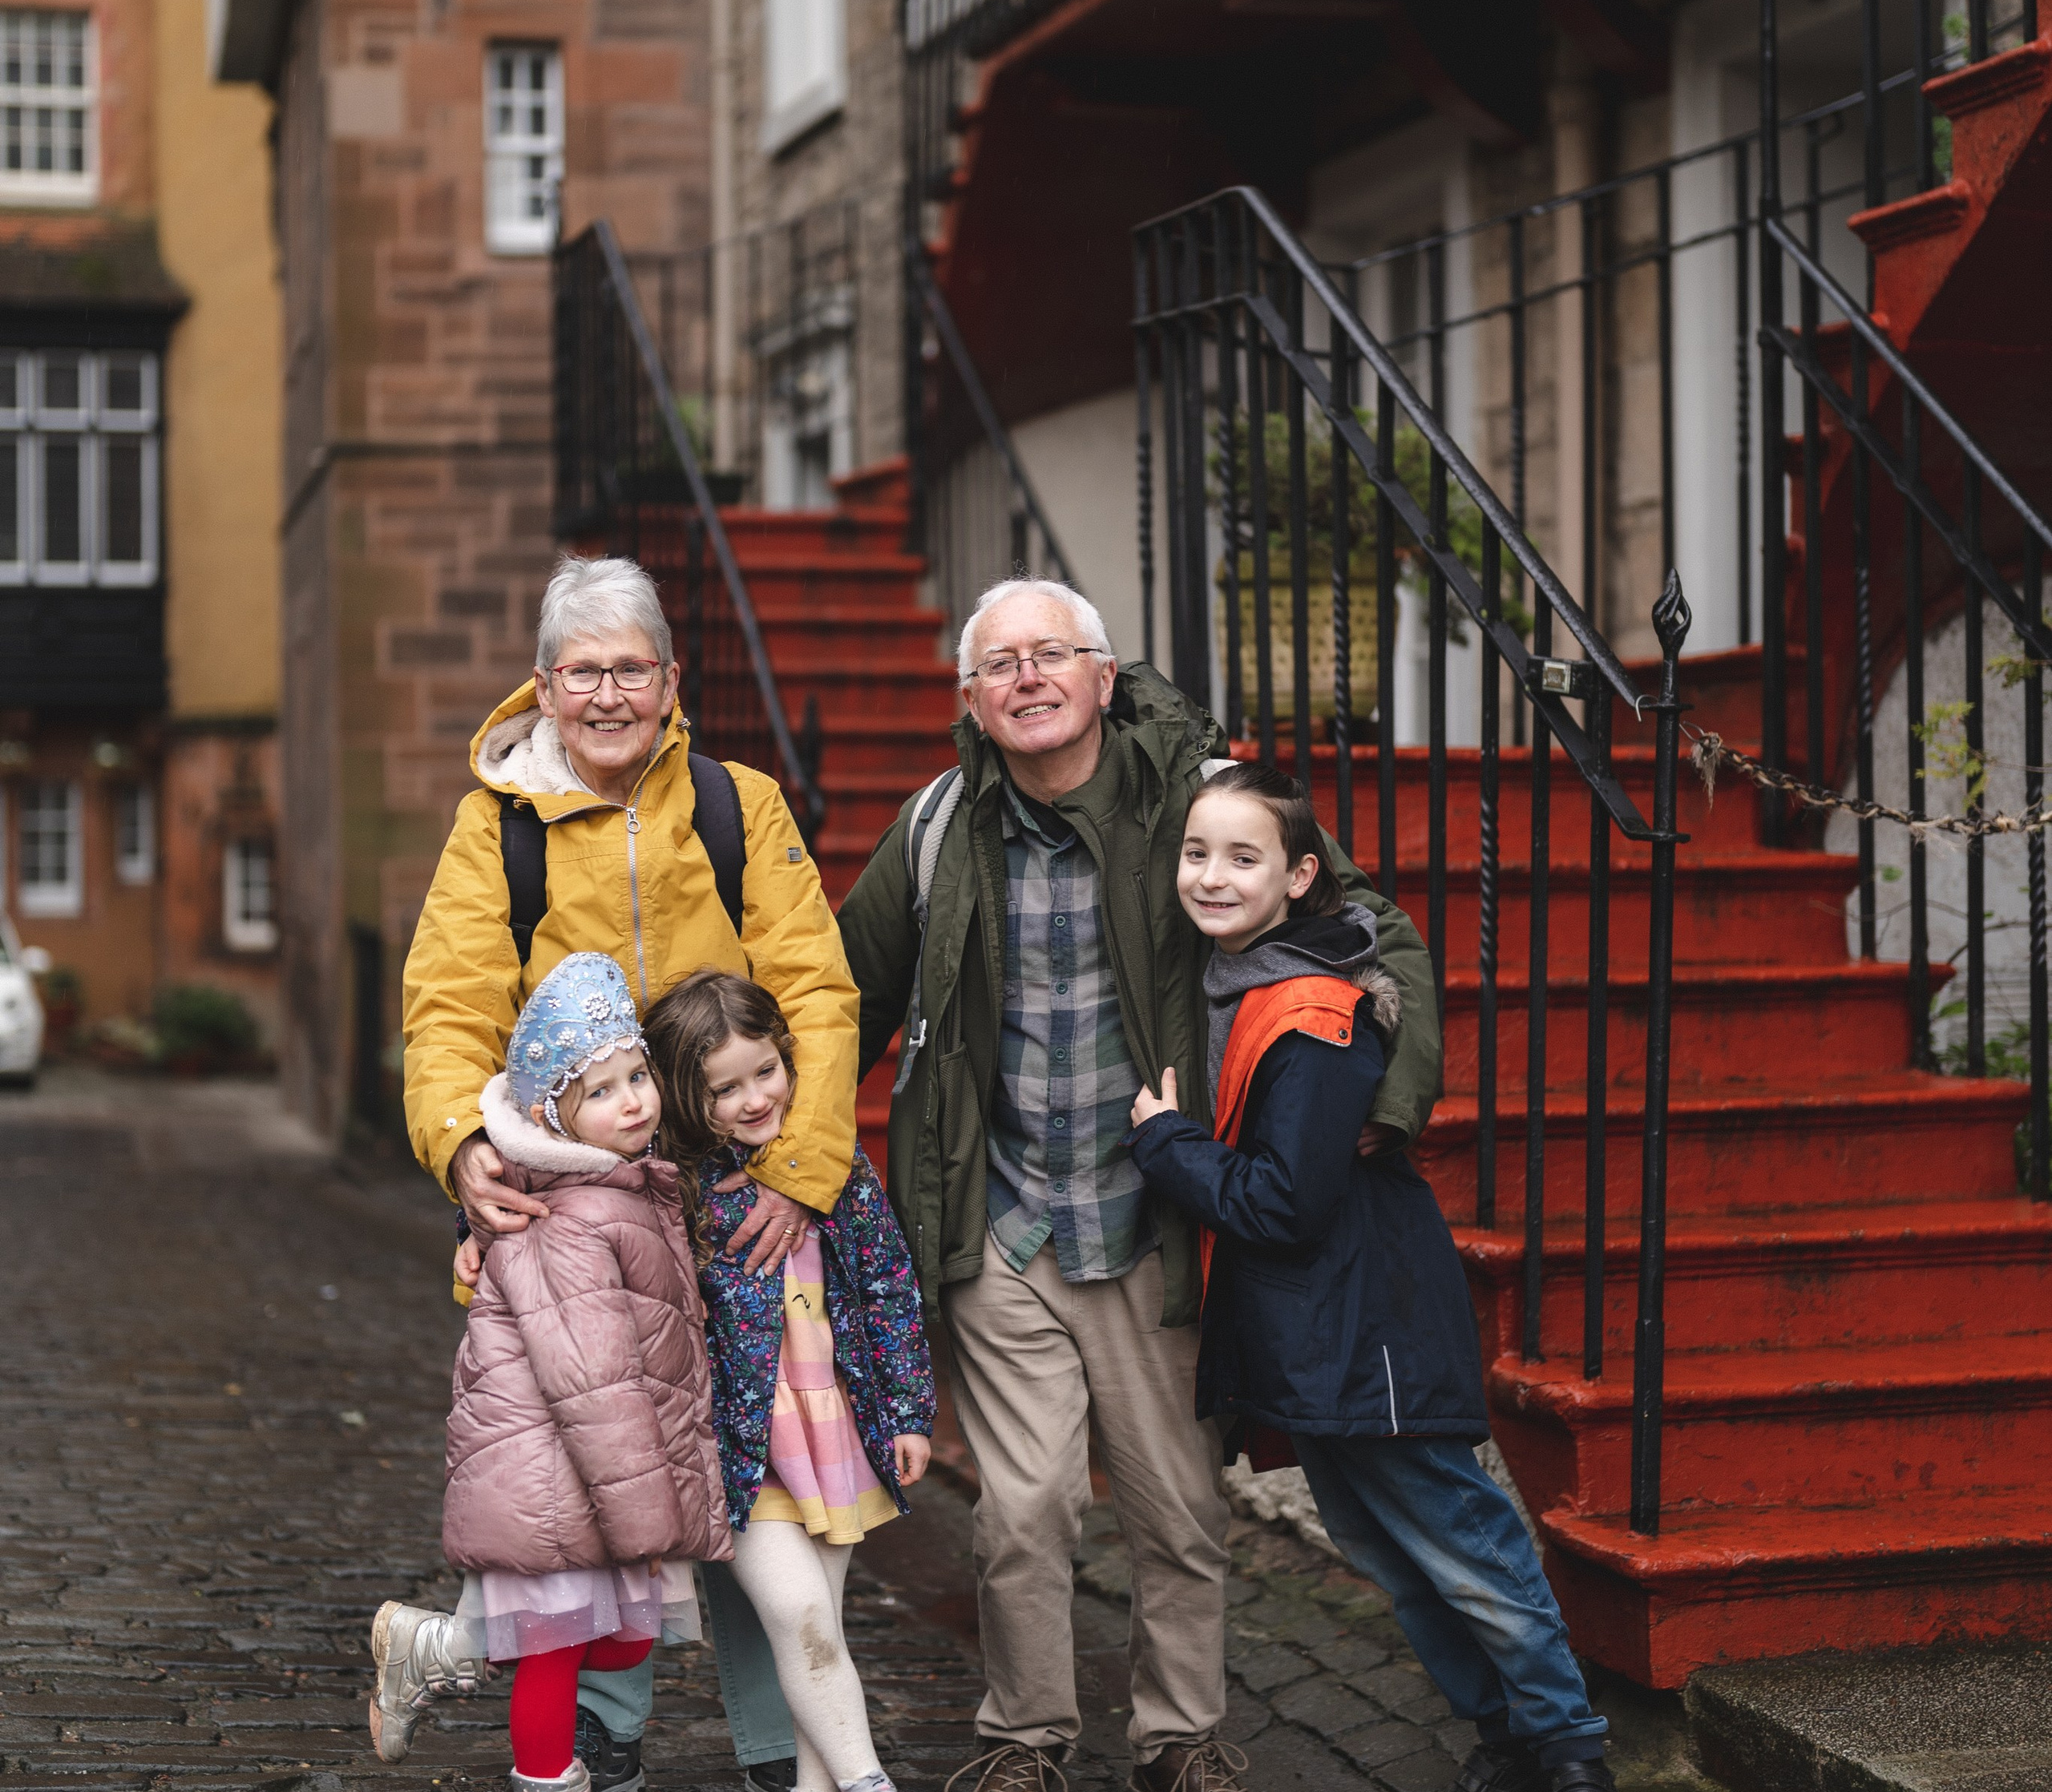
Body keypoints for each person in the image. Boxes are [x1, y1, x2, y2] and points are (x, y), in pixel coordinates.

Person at [834, 578, 1440, 1792]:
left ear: (1104, 678)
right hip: (1001, 1225)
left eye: (1052, 654)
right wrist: (766, 1158)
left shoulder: (1200, 803)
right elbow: (843, 997)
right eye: (999, 665)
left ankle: (1181, 1739)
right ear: (972, 698)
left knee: (1178, 1514)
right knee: (1024, 1512)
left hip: (1161, 1219)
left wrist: (1383, 1104)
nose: (1028, 679)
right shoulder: (939, 828)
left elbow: (1374, 930)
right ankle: (1024, 1744)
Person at [403, 553, 858, 1792]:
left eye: (632, 669)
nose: (610, 695)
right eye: (584, 671)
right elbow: (448, 1005)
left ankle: (781, 1745)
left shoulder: (736, 803)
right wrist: (462, 1145)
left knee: (753, 1463)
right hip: (573, 1192)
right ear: (545, 686)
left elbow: (812, 982)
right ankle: (603, 1721)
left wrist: (800, 1170)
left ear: (670, 679)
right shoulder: (494, 823)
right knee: (601, 1450)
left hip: (732, 1182)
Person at [1126, 765, 1615, 1792]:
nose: (1211, 877)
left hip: (1367, 1318)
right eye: (1196, 852)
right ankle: (1509, 1736)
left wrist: (1165, 1143)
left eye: (1243, 857)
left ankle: (1567, 1745)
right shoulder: (1240, 972)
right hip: (1316, 1328)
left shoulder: (1313, 1010)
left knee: (1457, 1536)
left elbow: (1280, 1202)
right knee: (1390, 1551)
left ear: (1301, 875)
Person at [370, 952, 733, 1792]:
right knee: (558, 1649)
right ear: (557, 1118)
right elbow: (594, 1385)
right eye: (599, 1091)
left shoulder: (626, 1188)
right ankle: (544, 1777)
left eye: (636, 1075)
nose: (634, 1099)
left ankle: (434, 1649)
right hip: (560, 1476)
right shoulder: (575, 1219)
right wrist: (652, 1518)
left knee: (624, 1639)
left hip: (591, 1481)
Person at [644, 969, 936, 1792]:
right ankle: (869, 1780)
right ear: (683, 1094)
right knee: (798, 1613)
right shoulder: (679, 1187)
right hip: (738, 1449)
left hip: (833, 1430)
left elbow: (888, 1287)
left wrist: (909, 1411)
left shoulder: (831, 1168)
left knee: (821, 1632)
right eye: (722, 1088)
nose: (751, 1099)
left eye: (764, 1072)